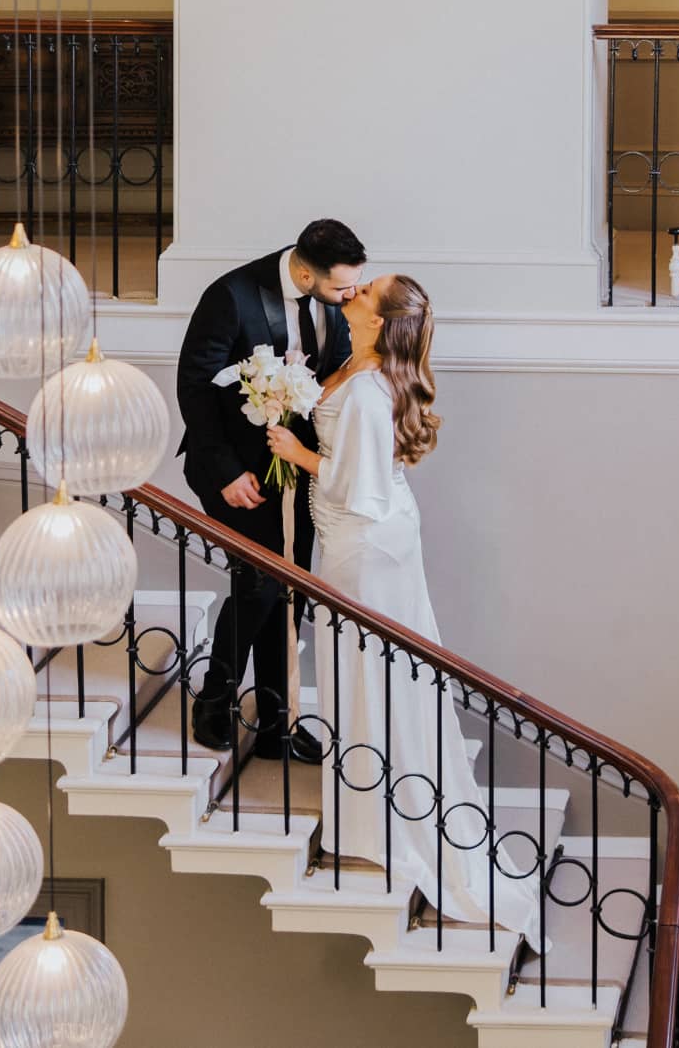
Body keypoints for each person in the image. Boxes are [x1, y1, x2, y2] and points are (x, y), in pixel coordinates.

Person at [265, 274, 543, 947]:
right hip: (373, 537)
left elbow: (355, 487)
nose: (353, 290)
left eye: (366, 292)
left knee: (369, 674)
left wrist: (294, 449)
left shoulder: (364, 387)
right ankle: (366, 818)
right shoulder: (361, 366)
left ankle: (385, 825)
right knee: (369, 674)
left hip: (362, 547)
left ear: (380, 319)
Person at [176, 219, 366, 763]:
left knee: (290, 589)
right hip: (236, 471)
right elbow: (195, 383)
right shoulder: (232, 295)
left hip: (297, 467)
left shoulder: (334, 300)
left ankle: (275, 723)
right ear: (305, 272)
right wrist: (226, 471)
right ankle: (215, 699)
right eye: (340, 287)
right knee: (259, 585)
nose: (350, 295)